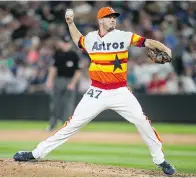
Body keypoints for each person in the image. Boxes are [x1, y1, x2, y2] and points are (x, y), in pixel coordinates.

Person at [13, 7, 176, 175]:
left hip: (120, 91)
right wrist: (71, 23)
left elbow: (148, 42)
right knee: (72, 124)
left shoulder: (124, 36)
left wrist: (165, 48)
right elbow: (78, 40)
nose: (112, 19)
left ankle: (160, 160)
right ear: (100, 20)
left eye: (114, 17)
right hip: (96, 92)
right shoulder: (91, 38)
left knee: (142, 122)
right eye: (108, 17)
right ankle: (36, 153)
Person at [46, 36, 81, 131]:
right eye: (64, 43)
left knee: (68, 104)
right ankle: (52, 124)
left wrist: (73, 83)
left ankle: (67, 126)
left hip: (69, 80)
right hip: (58, 80)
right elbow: (53, 68)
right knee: (55, 104)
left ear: (70, 44)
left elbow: (78, 72)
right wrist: (49, 80)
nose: (65, 45)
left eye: (67, 43)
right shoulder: (57, 54)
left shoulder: (74, 55)